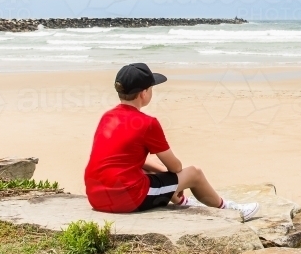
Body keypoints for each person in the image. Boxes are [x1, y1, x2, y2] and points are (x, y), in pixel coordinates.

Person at [84, 62, 259, 220]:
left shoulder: (107, 117)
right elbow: (175, 167)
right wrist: (178, 179)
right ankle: (229, 209)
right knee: (194, 173)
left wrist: (170, 180)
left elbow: (129, 159)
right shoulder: (147, 123)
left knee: (149, 170)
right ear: (144, 93)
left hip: (96, 196)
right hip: (125, 198)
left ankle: (180, 200)